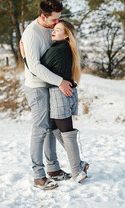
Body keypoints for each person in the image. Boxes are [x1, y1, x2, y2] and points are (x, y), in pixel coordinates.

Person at [21, 0, 73, 190]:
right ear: (43, 16)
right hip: (36, 87)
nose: (57, 24)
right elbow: (34, 66)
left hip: (49, 84)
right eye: (54, 20)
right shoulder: (32, 33)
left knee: (51, 127)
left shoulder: (51, 30)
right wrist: (60, 82)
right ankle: (38, 176)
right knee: (40, 129)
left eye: (59, 19)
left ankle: (54, 170)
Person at [40, 20, 89, 183]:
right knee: (56, 129)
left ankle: (76, 172)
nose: (53, 31)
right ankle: (79, 163)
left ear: (66, 35)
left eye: (58, 30)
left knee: (67, 133)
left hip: (59, 94)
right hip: (67, 93)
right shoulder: (67, 48)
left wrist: (25, 56)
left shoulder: (58, 50)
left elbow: (38, 68)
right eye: (54, 28)